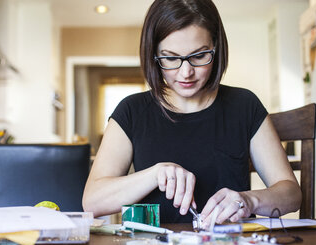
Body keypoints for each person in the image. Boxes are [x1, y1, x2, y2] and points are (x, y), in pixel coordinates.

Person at [82, 0, 301, 226]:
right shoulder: (131, 111)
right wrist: (155, 175)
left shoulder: (244, 106)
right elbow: (92, 201)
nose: (186, 72)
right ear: (153, 55)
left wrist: (249, 200)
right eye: (170, 58)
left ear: (216, 48)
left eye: (199, 56)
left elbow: (292, 194)